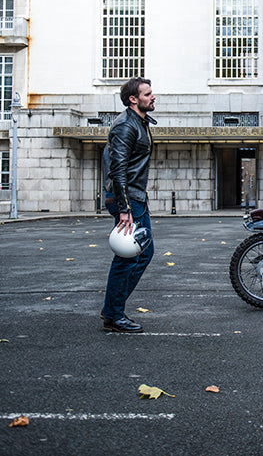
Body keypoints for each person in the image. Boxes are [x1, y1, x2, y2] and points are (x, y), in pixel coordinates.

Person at [101, 77, 157, 333]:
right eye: (147, 94)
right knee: (126, 257)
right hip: (127, 200)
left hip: (135, 197)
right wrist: (124, 209)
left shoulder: (140, 122)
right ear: (133, 99)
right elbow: (118, 170)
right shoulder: (125, 126)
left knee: (144, 253)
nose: (152, 96)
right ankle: (113, 314)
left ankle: (113, 308)